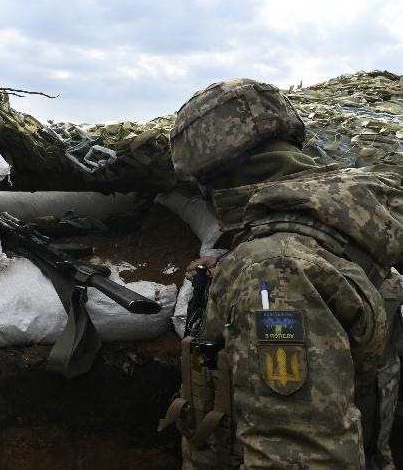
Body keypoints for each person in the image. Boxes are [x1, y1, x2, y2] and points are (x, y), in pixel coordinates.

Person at [162, 78, 402, 468]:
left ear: (206, 176)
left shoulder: (272, 269)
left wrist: (256, 278)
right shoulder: (344, 224)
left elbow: (299, 456)